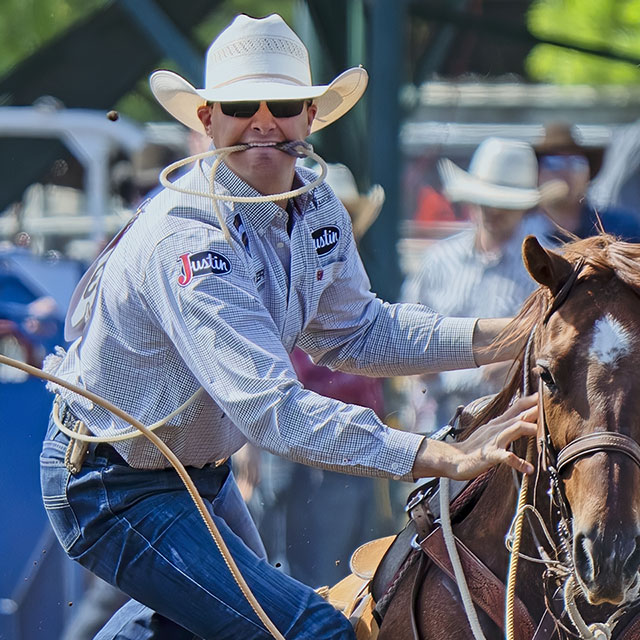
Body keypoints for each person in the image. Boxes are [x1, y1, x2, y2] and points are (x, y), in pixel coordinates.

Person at [39, 13, 538, 640]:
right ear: (207, 120)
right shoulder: (189, 241)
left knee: (211, 627)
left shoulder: (317, 203)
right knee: (310, 630)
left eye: (285, 104)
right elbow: (274, 411)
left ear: (310, 117)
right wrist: (439, 455)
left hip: (192, 476)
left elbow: (358, 332)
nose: (264, 119)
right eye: (242, 103)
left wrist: (518, 332)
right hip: (114, 487)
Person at [235, 163, 389, 588]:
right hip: (304, 442)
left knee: (347, 572)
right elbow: (256, 367)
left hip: (351, 443)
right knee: (312, 574)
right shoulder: (283, 276)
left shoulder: (342, 279)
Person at [400, 137, 564, 433]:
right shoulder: (438, 261)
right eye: (486, 200)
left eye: (503, 203)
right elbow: (407, 333)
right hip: (437, 420)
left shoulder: (550, 268)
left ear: (523, 208)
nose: (492, 211)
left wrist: (523, 360)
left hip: (513, 424)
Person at [534, 122, 640, 243]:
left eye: (576, 162)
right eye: (553, 162)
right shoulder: (517, 229)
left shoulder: (622, 229)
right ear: (536, 171)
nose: (566, 172)